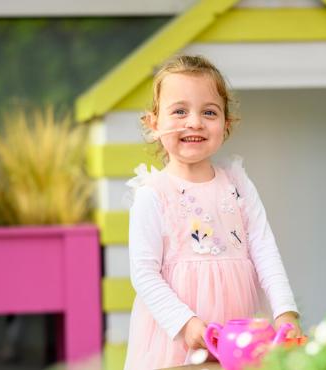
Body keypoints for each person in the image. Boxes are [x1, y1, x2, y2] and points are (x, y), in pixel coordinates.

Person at [124, 55, 301, 370]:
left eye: (209, 112)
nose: (194, 122)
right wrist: (186, 323)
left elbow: (265, 251)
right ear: (154, 124)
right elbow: (144, 274)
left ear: (226, 124)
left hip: (236, 333)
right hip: (176, 339)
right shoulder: (153, 195)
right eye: (179, 111)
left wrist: (285, 312)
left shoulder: (238, 184)